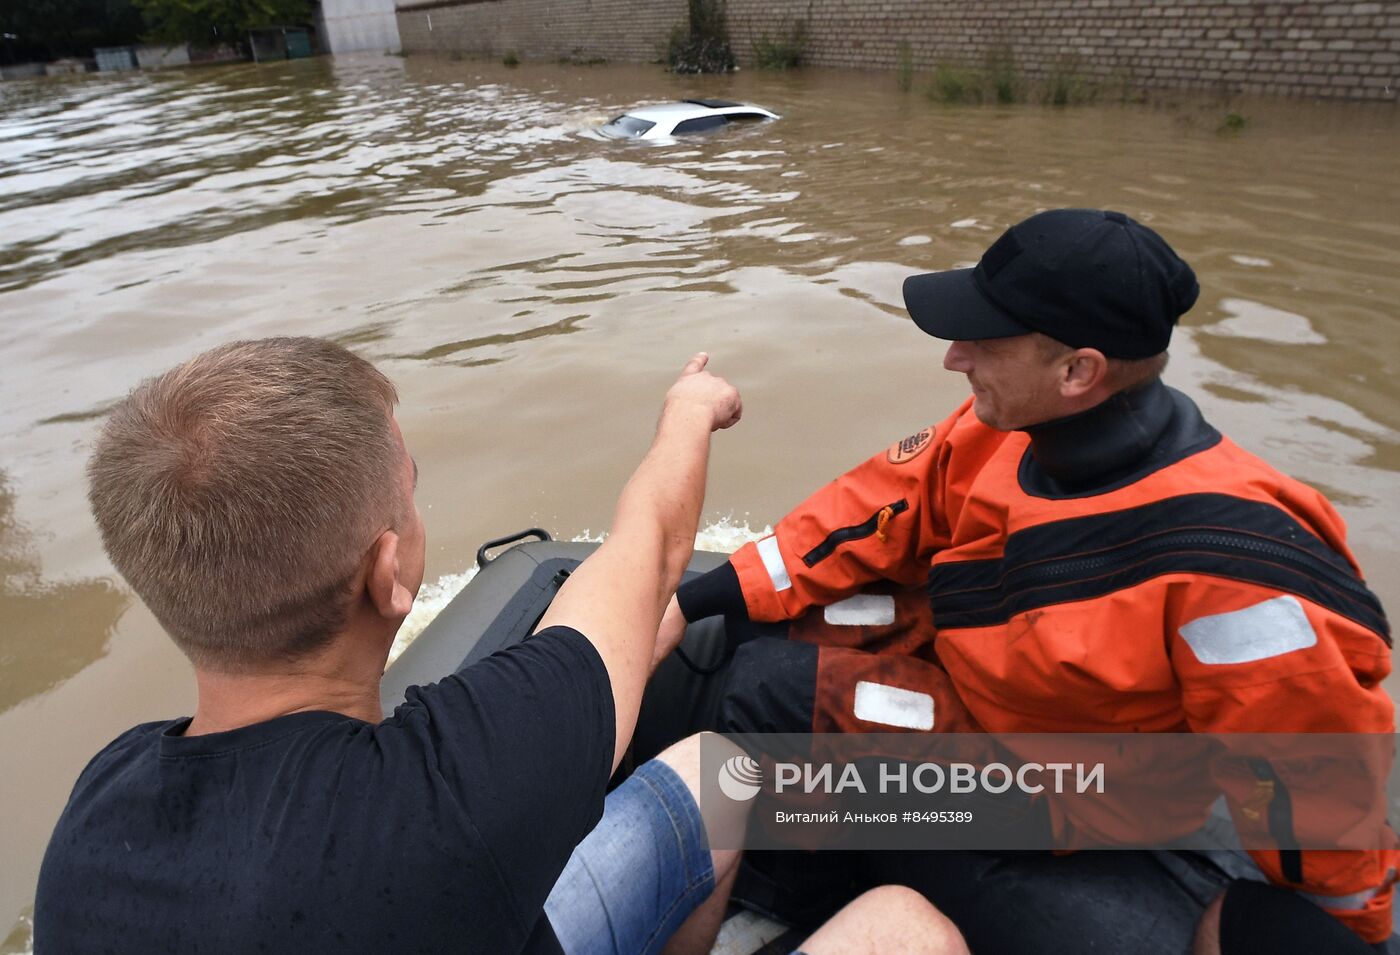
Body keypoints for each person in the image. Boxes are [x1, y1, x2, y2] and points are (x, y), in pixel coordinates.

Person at [34, 337, 967, 955]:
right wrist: (689, 408)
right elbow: (649, 551)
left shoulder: (95, 811)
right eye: (410, 486)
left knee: (714, 773)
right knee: (909, 927)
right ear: (389, 574)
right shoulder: (452, 792)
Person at [656, 209, 1395, 952]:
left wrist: (1343, 927)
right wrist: (691, 599)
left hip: (1070, 788)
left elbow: (1310, 769)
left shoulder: (1236, 569)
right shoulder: (1001, 431)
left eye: (984, 342)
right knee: (753, 640)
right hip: (991, 688)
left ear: (1077, 372)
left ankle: (796, 895)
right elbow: (880, 506)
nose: (954, 358)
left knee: (765, 692)